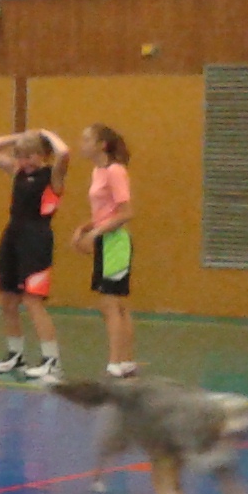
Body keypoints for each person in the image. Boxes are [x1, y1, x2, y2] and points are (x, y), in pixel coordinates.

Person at [0, 127, 71, 382]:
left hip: (36, 238)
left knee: (32, 300)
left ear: (43, 155)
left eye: (30, 155)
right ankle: (15, 354)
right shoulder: (17, 171)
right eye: (20, 156)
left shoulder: (52, 177)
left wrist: (46, 134)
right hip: (12, 237)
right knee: (7, 299)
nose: (25, 161)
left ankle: (51, 360)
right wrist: (19, 137)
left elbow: (64, 153)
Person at [72, 123, 138, 377]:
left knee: (111, 304)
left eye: (87, 140)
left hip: (115, 242)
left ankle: (115, 363)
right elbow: (104, 212)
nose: (82, 144)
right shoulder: (97, 172)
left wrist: (96, 233)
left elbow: (126, 212)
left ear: (101, 145)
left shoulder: (115, 172)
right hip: (104, 239)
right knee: (117, 305)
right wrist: (85, 228)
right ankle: (126, 360)